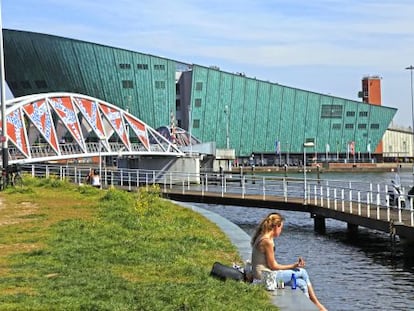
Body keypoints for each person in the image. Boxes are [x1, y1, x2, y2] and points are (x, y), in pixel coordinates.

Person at [251, 212, 327, 311]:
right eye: (281, 228)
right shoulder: (267, 241)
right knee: (303, 272)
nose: (281, 231)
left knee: (301, 283)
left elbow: (271, 265)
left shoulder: (263, 237)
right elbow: (273, 266)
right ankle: (318, 305)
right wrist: (293, 266)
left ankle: (308, 308)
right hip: (265, 278)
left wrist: (293, 266)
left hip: (265, 275)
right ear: (276, 227)